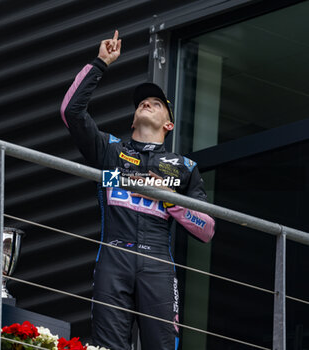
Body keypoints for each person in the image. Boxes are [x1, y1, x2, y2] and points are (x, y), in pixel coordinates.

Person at [60, 30, 215, 350]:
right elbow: (71, 113)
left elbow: (207, 229)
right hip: (113, 256)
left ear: (168, 124)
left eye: (156, 103)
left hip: (158, 262)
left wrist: (170, 200)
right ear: (133, 120)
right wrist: (101, 63)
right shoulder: (110, 150)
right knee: (107, 346)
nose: (146, 103)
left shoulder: (184, 166)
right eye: (142, 102)